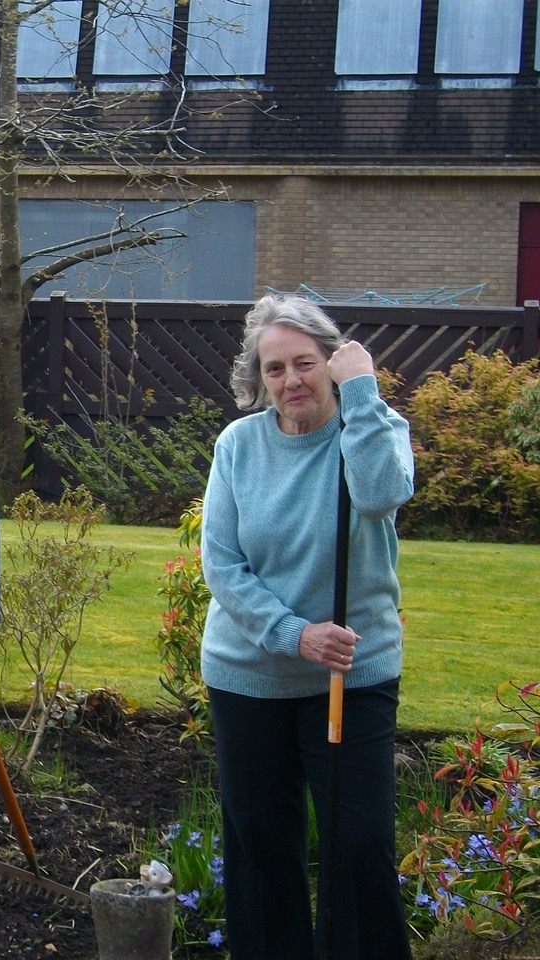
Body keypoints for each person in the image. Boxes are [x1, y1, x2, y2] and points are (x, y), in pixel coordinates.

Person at [200, 295, 414, 960]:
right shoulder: (239, 446)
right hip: (251, 674)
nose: (290, 380)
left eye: (305, 363)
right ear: (257, 378)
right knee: (262, 845)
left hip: (351, 673)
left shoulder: (374, 428)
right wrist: (295, 633)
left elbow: (380, 495)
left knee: (360, 842)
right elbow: (224, 565)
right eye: (273, 369)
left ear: (331, 363)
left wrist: (363, 392)